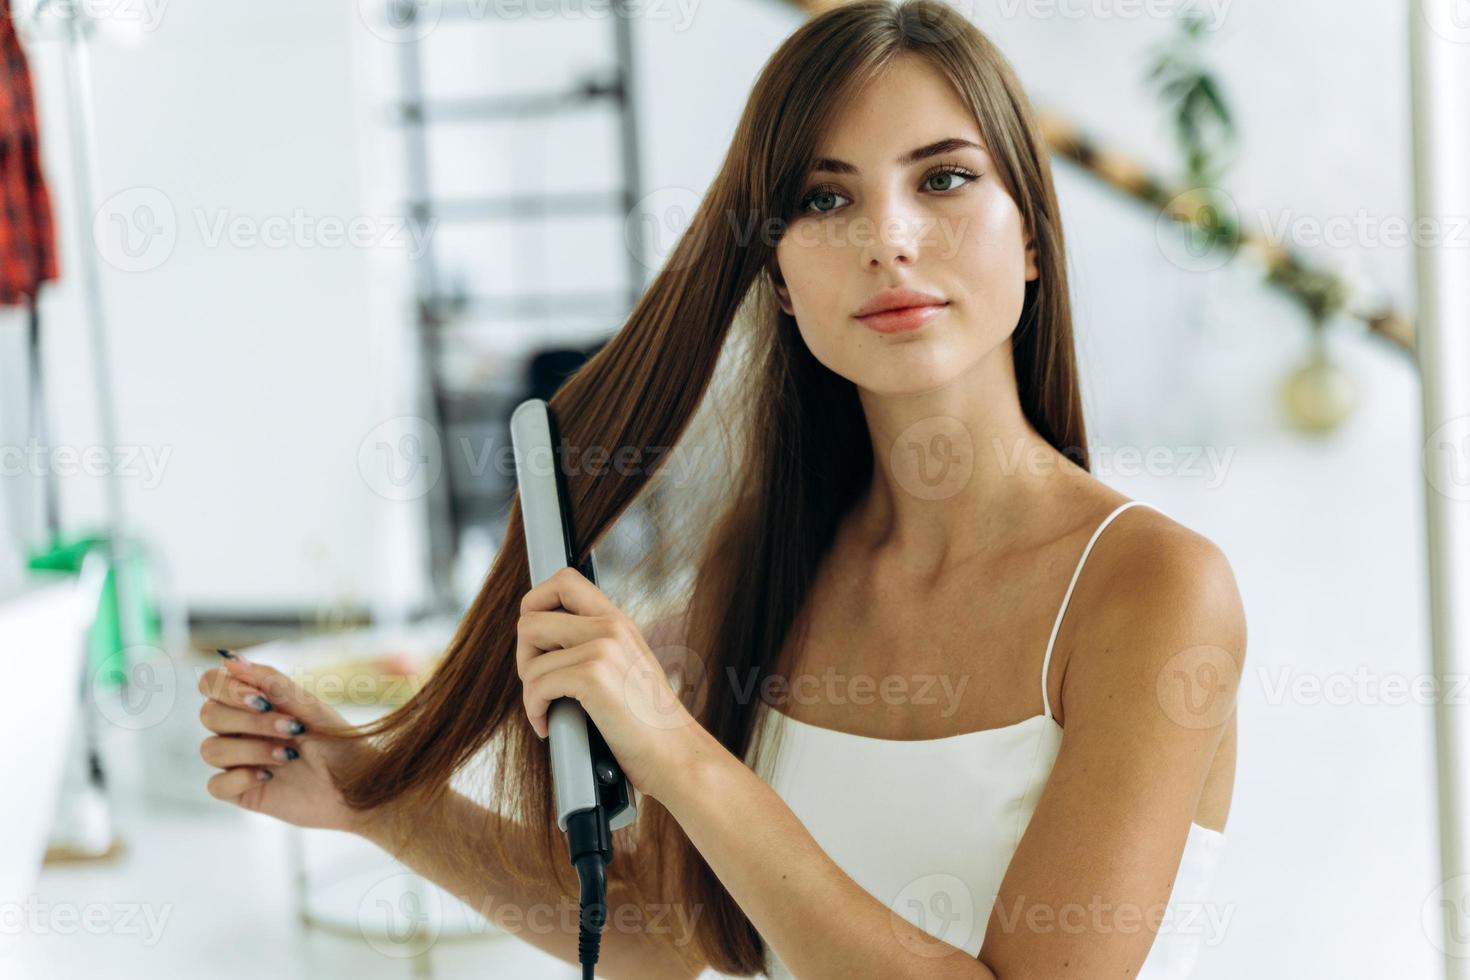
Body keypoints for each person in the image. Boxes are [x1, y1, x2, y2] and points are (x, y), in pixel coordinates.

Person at [197, 2, 1245, 977]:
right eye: (824, 197)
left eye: (944, 178)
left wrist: (676, 750)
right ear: (781, 277)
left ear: (1032, 239)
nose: (888, 237)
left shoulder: (1154, 591)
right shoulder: (769, 561)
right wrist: (377, 798)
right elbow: (671, 923)